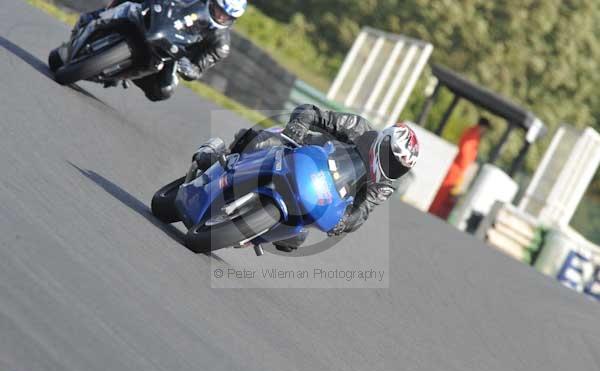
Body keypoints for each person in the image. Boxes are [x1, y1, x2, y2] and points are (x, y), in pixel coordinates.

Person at [192, 104, 420, 252]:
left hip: (322, 190)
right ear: (384, 142)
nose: (392, 167)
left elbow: (363, 210)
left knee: (295, 239)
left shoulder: (385, 184)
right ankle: (219, 156)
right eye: (391, 158)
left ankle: (254, 233)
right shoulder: (358, 128)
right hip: (301, 151)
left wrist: (344, 222)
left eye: (398, 167)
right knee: (261, 140)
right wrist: (298, 127)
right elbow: (311, 112)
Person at [70, 0, 246, 101]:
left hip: (171, 53)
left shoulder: (220, 44)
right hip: (158, 20)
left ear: (233, 19)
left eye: (226, 16)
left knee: (163, 90)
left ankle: (121, 75)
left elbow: (198, 68)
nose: (220, 16)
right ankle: (98, 15)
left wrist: (188, 68)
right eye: (218, 10)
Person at [428, 117, 491, 219]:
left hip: (461, 170)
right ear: (482, 127)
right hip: (457, 169)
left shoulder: (475, 136)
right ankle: (432, 213)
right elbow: (464, 151)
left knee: (449, 197)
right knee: (443, 193)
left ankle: (436, 215)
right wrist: (465, 168)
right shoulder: (473, 135)